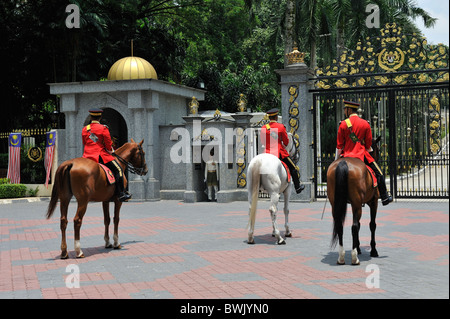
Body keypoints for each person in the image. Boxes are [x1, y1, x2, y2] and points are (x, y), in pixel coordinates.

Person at [335, 101, 393, 206]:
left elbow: (339, 146)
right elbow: (368, 145)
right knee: (379, 173)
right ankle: (384, 197)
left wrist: (336, 159)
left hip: (346, 155)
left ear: (349, 110)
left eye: (345, 109)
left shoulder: (343, 124)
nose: (344, 111)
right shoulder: (365, 124)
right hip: (361, 155)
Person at [82, 108, 132, 202]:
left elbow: (85, 143)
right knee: (119, 170)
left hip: (87, 156)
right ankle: (121, 194)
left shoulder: (85, 129)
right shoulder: (103, 128)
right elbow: (108, 144)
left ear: (91, 116)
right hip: (100, 155)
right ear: (100, 117)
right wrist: (110, 151)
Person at [260, 108, 305, 194]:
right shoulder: (281, 127)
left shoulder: (264, 128)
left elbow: (263, 142)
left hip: (267, 153)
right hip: (278, 153)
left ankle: (259, 185)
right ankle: (298, 187)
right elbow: (286, 142)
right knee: (293, 168)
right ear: (276, 117)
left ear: (269, 117)